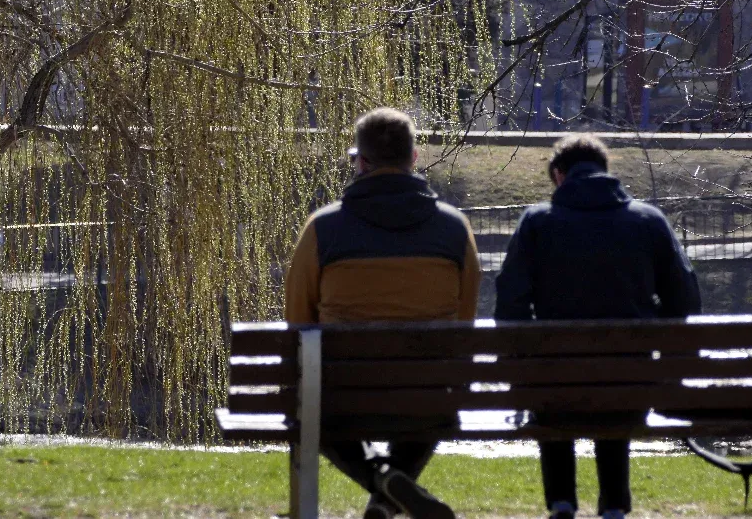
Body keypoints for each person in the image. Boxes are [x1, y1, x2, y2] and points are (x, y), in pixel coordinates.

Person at [285, 107, 481, 519]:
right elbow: (463, 325)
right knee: (432, 395)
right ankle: (389, 491)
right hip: (428, 396)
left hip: (344, 396)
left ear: (361, 162)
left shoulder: (322, 229)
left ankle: (381, 483)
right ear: (413, 160)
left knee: (312, 407)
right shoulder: (454, 229)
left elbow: (298, 324)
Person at [494, 133, 701, 519]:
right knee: (618, 384)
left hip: (553, 390)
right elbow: (685, 298)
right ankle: (614, 507)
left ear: (559, 175)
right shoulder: (648, 220)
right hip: (631, 387)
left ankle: (561, 502)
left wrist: (522, 364)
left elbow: (510, 302)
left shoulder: (537, 223)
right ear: (606, 172)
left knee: (553, 382)